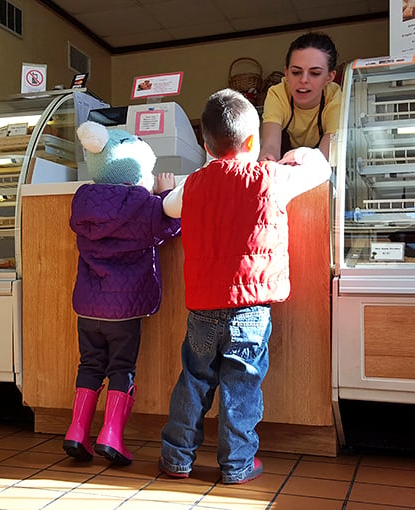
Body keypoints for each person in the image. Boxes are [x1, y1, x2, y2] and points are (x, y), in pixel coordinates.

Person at [158, 89, 331, 484]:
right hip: (251, 311)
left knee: (193, 381)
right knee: (242, 386)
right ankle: (236, 464)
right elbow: (321, 168)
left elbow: (169, 206)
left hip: (202, 308)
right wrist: (302, 154)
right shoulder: (272, 178)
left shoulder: (195, 185)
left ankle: (176, 460)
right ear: (253, 142)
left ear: (205, 144)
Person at [63, 121, 181, 466]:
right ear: (137, 171)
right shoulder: (142, 204)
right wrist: (163, 195)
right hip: (124, 310)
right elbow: (169, 227)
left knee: (90, 365)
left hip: (88, 308)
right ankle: (112, 436)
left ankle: (76, 432)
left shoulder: (83, 201)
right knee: (121, 368)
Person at [259, 32, 341, 162]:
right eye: (296, 72)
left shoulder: (336, 100)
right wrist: (268, 160)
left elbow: (323, 158)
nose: (303, 80)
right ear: (286, 73)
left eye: (315, 73)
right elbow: (270, 147)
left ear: (329, 77)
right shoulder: (277, 94)